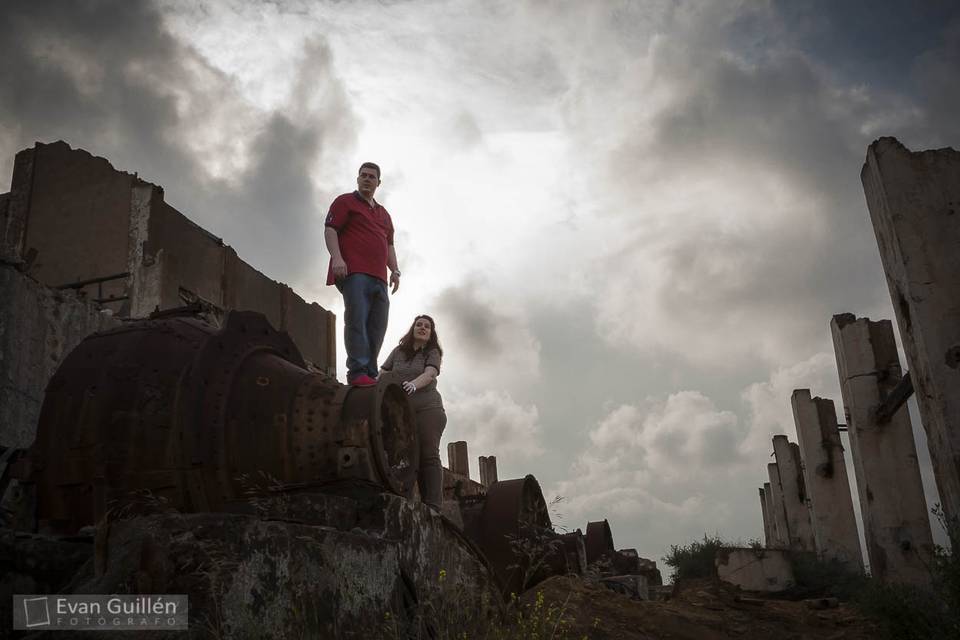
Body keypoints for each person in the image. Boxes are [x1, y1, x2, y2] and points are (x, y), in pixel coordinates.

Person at [325, 162, 401, 386]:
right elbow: (330, 230)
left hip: (380, 278)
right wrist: (337, 259)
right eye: (363, 175)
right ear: (357, 179)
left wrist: (394, 271)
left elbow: (389, 246)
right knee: (357, 319)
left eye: (372, 177)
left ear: (379, 182)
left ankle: (370, 371)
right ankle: (357, 372)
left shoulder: (384, 214)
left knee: (378, 326)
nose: (367, 179)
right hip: (354, 272)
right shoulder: (344, 202)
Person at [380, 315, 446, 509]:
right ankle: (404, 500)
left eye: (427, 326)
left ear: (431, 333)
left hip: (429, 409)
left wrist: (413, 385)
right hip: (402, 413)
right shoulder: (398, 352)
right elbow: (383, 373)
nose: (423, 328)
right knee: (402, 455)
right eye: (419, 325)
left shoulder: (432, 352)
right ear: (413, 328)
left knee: (428, 454)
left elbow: (430, 374)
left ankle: (433, 505)